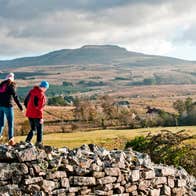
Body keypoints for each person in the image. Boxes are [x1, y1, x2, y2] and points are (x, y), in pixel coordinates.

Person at [0, 73, 23, 145]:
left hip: (0, 106)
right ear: (12, 79)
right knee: (10, 124)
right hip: (8, 106)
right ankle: (11, 140)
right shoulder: (11, 85)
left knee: (1, 124)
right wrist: (21, 107)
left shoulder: (1, 85)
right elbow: (15, 97)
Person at [24, 80, 49, 146]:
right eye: (46, 88)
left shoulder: (32, 91)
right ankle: (39, 143)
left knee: (33, 129)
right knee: (40, 129)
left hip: (29, 113)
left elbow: (25, 102)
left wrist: (30, 109)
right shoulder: (41, 95)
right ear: (44, 87)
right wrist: (41, 118)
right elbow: (40, 108)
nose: (45, 90)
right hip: (36, 115)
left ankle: (27, 141)